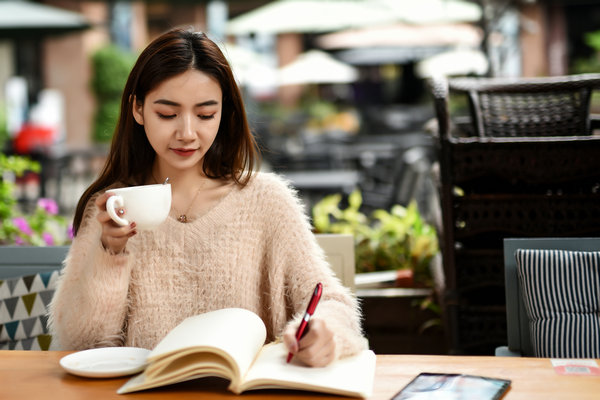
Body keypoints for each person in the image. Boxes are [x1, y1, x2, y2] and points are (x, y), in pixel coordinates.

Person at [48, 28, 365, 367]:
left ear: (225, 113)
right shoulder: (113, 206)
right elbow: (81, 345)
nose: (186, 133)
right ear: (137, 109)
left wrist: (323, 331)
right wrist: (110, 253)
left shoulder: (267, 202)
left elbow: (333, 303)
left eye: (205, 114)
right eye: (167, 114)